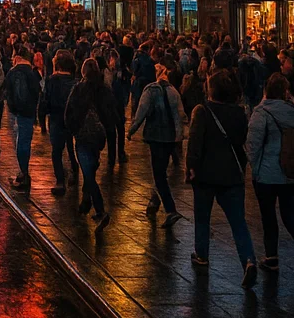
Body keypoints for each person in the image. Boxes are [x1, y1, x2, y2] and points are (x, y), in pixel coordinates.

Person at [185, 69, 258, 287]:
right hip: (232, 174)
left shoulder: (202, 111)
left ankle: (202, 254)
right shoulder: (239, 113)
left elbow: (194, 143)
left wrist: (191, 166)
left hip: (206, 174)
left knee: (202, 217)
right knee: (238, 222)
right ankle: (248, 259)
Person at [245, 73, 294, 272]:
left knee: (268, 216)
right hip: (293, 173)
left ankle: (272, 257)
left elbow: (253, 145)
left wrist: (254, 169)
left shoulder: (262, 112)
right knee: (289, 214)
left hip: (268, 175)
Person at [64, 58, 118, 234]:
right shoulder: (105, 90)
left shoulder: (79, 89)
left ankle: (100, 210)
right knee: (90, 169)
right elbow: (112, 114)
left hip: (83, 135)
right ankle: (86, 201)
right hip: (99, 137)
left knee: (88, 173)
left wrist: (74, 129)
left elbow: (68, 112)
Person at [128, 62, 184, 228]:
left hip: (156, 136)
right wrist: (179, 136)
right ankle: (154, 199)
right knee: (161, 169)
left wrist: (131, 130)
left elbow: (141, 112)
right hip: (170, 138)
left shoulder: (150, 90)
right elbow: (179, 115)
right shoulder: (174, 92)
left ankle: (170, 209)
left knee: (159, 174)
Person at [38, 50, 79, 196]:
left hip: (56, 117)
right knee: (71, 146)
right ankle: (75, 170)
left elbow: (44, 99)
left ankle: (60, 180)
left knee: (57, 150)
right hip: (72, 119)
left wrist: (42, 116)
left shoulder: (51, 81)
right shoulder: (75, 82)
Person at [4, 46, 40, 191]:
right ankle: (23, 172)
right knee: (24, 141)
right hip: (28, 111)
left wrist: (14, 108)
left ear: (17, 58)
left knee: (21, 143)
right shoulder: (32, 73)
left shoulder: (15, 73)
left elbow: (14, 93)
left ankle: (24, 173)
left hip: (20, 112)